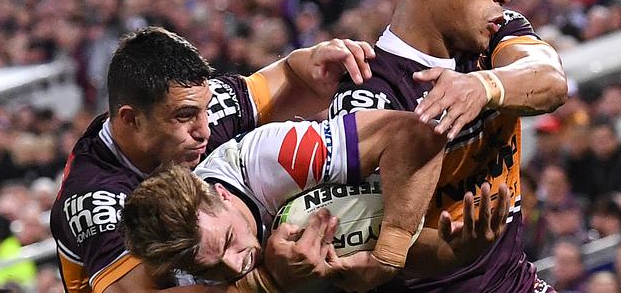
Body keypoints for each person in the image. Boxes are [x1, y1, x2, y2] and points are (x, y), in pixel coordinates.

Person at [49, 26, 377, 293]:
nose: (204, 130)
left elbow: (292, 77)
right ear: (131, 119)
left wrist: (316, 60)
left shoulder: (196, 105)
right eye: (185, 116)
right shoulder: (96, 201)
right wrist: (267, 281)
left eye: (206, 107)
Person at [329, 0, 567, 291]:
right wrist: (449, 249)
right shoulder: (368, 91)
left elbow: (550, 79)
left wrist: (483, 86)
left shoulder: (495, 38)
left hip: (517, 282)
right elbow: (362, 233)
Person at [120, 109, 510, 290]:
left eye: (226, 242)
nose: (234, 264)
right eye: (212, 268)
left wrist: (388, 257)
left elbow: (417, 133)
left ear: (220, 195)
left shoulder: (274, 159)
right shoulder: (185, 262)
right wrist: (269, 283)